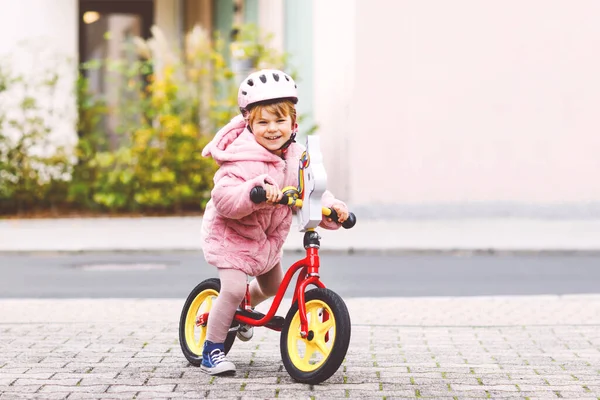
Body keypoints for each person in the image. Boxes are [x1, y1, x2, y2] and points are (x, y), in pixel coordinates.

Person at [199, 69, 349, 375]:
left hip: (266, 243)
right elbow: (223, 199)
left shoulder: (297, 155)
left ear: (293, 123)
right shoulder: (240, 157)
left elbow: (312, 189)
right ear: (249, 124)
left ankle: (240, 312)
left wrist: (333, 208)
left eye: (279, 121)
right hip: (233, 239)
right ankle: (211, 350)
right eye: (263, 122)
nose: (272, 129)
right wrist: (253, 193)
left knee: (274, 286)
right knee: (230, 289)